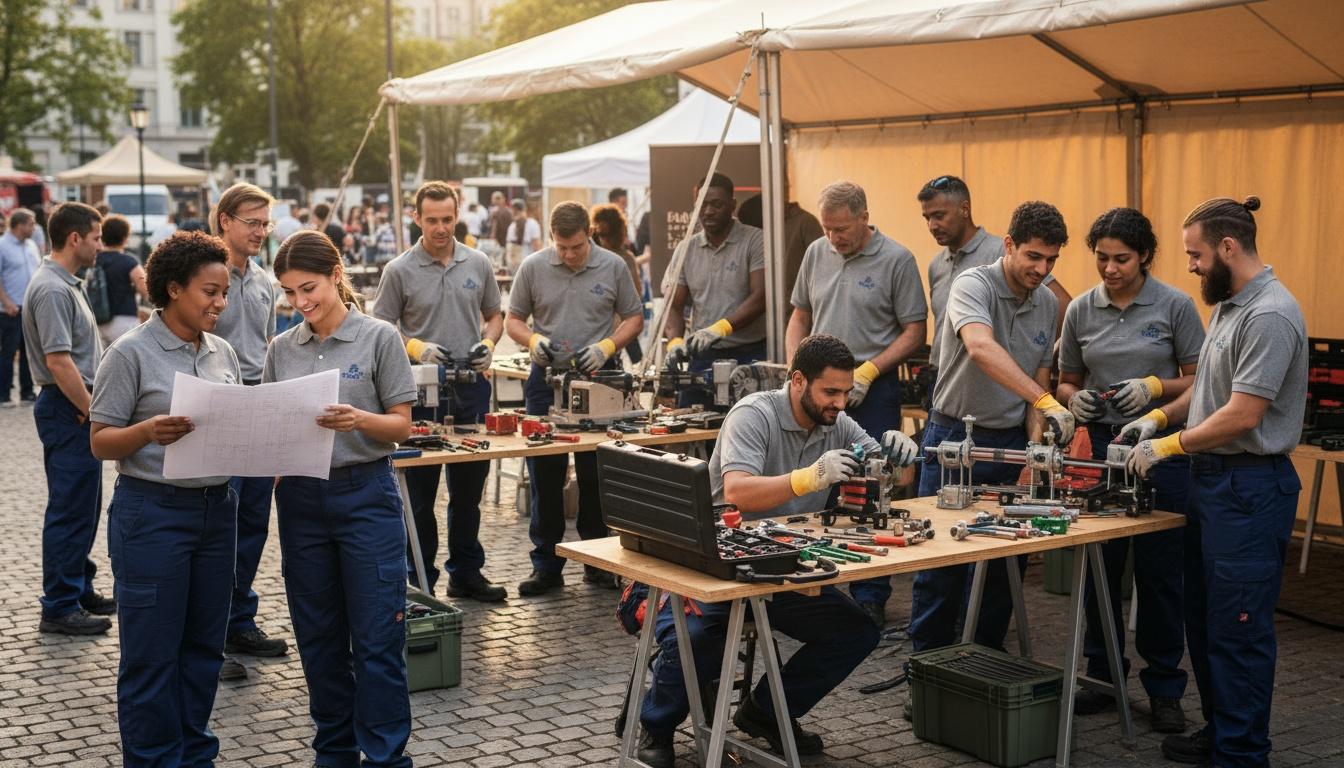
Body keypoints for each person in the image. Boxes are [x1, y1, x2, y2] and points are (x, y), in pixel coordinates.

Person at [634, 334, 915, 767]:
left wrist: (900, 457)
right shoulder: (754, 415)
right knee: (699, 637)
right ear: (798, 381)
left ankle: (766, 713)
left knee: (856, 632)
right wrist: (809, 478)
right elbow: (738, 491)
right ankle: (656, 724)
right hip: (720, 561)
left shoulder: (836, 422)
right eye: (831, 392)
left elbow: (892, 478)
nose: (842, 403)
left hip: (785, 562)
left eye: (845, 392)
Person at [1123, 196, 1306, 768]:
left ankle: (1244, 753)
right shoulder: (1230, 305)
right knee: (1203, 619)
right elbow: (1210, 391)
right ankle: (1222, 730)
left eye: (1196, 255)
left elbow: (1243, 413)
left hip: (1248, 490)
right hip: (1213, 484)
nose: (1192, 267)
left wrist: (1167, 446)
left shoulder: (1270, 314)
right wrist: (1157, 415)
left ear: (1229, 247)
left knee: (1240, 627)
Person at [88, 230, 241, 767]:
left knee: (203, 650)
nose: (220, 304)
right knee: (152, 656)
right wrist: (148, 430)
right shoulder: (129, 353)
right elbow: (100, 440)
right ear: (173, 289)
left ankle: (194, 755)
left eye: (225, 293)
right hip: (153, 514)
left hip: (218, 512)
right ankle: (154, 760)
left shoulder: (222, 351)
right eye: (209, 292)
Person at [266, 230, 417, 768]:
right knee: (318, 638)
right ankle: (333, 753)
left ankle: (385, 757)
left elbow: (401, 425)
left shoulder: (379, 337)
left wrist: (358, 420)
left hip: (365, 494)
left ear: (336, 274)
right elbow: (271, 424)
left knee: (377, 639)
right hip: (302, 501)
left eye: (308, 288)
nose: (300, 302)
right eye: (289, 293)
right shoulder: (281, 349)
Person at [1055, 207, 1204, 733]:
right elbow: (1066, 379)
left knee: (1161, 571)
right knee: (1101, 567)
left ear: (1145, 256)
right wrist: (1076, 401)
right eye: (1101, 258)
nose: (1110, 269)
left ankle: (1164, 687)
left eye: (1122, 259)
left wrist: (1155, 388)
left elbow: (1202, 380)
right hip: (1101, 447)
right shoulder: (1080, 310)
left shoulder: (1175, 305)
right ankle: (1102, 674)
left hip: (1162, 449)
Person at [908, 201, 1074, 658]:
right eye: (1034, 257)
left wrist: (1038, 450)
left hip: (1008, 443)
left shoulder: (1044, 303)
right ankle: (925, 668)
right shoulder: (972, 284)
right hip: (952, 441)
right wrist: (1046, 400)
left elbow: (1037, 384)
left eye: (1052, 260)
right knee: (941, 561)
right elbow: (981, 347)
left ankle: (981, 661)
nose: (1042, 269)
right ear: (1009, 245)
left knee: (1004, 563)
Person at [785, 180, 927, 626]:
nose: (833, 238)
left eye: (841, 229)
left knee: (871, 484)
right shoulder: (815, 252)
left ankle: (870, 592)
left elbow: (914, 331)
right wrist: (799, 369)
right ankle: (814, 582)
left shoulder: (897, 259)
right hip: (818, 385)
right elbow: (800, 316)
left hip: (873, 388)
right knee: (816, 476)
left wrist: (868, 371)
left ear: (864, 216)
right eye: (827, 228)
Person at [373, 181, 506, 602]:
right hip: (419, 395)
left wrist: (489, 342)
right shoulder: (399, 270)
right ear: (417, 219)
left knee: (468, 494)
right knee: (419, 495)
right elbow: (380, 329)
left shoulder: (478, 262)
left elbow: (494, 315)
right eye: (431, 220)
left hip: (470, 389)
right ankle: (419, 580)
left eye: (447, 219)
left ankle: (466, 573)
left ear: (457, 214)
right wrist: (415, 347)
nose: (441, 228)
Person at [505, 201, 643, 595]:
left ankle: (597, 562)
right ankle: (546, 565)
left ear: (589, 235)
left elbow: (634, 316)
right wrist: (532, 339)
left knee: (595, 473)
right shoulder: (533, 267)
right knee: (544, 475)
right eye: (562, 248)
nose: (568, 255)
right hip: (545, 380)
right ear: (552, 239)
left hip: (598, 379)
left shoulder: (613, 266)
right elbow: (513, 318)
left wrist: (606, 346)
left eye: (577, 247)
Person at [23, 202, 114, 635]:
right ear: (75, 238)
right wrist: (92, 411)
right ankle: (59, 605)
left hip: (74, 406)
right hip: (69, 407)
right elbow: (60, 362)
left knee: (83, 506)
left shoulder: (64, 283)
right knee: (70, 509)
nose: (101, 245)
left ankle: (78, 586)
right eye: (96, 237)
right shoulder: (54, 289)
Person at [210, 183, 289, 664]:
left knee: (253, 524)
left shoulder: (263, 281)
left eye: (266, 224)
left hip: (260, 405)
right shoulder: (201, 273)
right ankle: (209, 635)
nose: (261, 231)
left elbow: (267, 350)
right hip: (220, 407)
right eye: (252, 222)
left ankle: (239, 622)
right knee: (218, 524)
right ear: (224, 220)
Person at [664, 173, 766, 404]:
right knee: (691, 427)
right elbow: (674, 304)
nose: (708, 211)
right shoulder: (686, 248)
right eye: (702, 204)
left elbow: (761, 297)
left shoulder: (755, 240)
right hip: (702, 356)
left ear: (732, 205)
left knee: (747, 428)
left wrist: (721, 328)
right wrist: (676, 342)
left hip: (749, 354)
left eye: (716, 204)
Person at [590, 202, 644, 365]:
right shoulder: (625, 259)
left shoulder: (589, 258)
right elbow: (637, 295)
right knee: (636, 365)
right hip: (620, 326)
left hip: (598, 329)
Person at [1, 207, 41, 406]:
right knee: (7, 352)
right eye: (31, 224)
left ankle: (27, 392)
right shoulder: (2, 245)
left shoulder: (31, 245)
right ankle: (3, 395)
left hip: (30, 308)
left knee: (30, 353)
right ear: (19, 225)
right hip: (11, 309)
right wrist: (6, 302)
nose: (34, 228)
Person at [95, 215, 151, 345]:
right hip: (124, 320)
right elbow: (146, 290)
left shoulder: (94, 260)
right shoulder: (129, 262)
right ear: (125, 238)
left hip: (96, 321)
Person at [505, 198, 542, 274]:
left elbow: (537, 247)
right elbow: (537, 247)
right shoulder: (532, 224)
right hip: (521, 265)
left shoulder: (513, 226)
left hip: (519, 265)